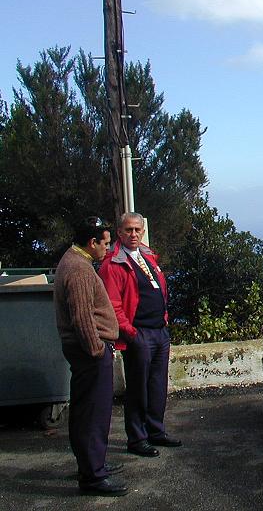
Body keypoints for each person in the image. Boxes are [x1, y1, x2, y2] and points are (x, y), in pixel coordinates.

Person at [54, 216, 128, 496]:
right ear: (92, 242)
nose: (108, 250)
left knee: (85, 411)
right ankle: (93, 476)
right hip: (90, 352)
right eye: (105, 244)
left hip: (82, 351)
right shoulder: (81, 270)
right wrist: (98, 351)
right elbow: (82, 317)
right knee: (94, 415)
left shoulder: (72, 260)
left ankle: (91, 464)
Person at [99, 212, 182, 458]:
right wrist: (131, 333)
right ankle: (137, 438)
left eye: (137, 230)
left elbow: (160, 289)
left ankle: (156, 431)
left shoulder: (148, 255)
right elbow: (112, 305)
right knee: (138, 389)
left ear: (142, 231)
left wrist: (164, 320)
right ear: (119, 233)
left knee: (157, 385)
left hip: (159, 331)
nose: (133, 234)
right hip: (139, 334)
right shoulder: (112, 264)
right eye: (128, 230)